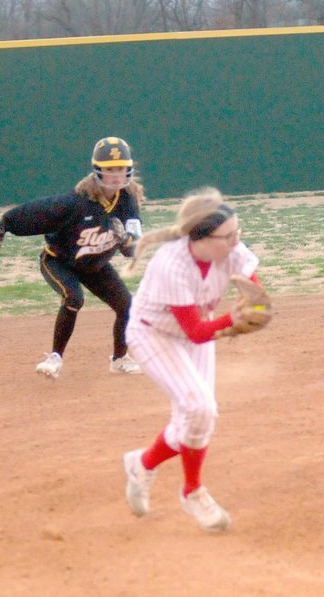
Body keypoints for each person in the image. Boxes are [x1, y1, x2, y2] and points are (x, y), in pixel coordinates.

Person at [121, 187, 262, 532]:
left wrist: (255, 304)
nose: (235, 242)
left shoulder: (230, 249)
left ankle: (142, 464)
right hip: (154, 334)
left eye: (237, 233)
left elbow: (253, 291)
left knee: (197, 418)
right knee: (200, 407)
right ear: (201, 238)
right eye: (228, 236)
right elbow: (196, 331)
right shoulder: (172, 264)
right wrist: (235, 319)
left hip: (198, 329)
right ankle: (192, 491)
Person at [0, 136, 145, 379]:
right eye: (110, 169)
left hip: (94, 265)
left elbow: (132, 249)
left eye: (121, 168)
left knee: (127, 307)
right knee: (73, 298)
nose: (116, 175)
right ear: (98, 170)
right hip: (59, 261)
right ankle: (54, 358)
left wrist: (125, 240)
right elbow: (35, 212)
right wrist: (3, 226)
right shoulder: (75, 203)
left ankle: (119, 359)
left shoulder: (127, 201)